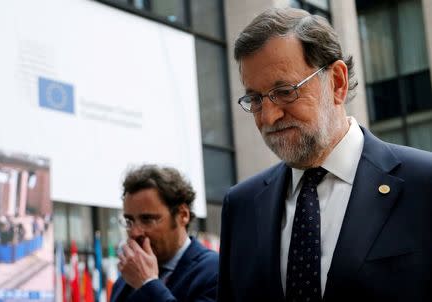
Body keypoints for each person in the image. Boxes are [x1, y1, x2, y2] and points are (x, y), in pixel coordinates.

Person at [218, 7, 432, 302]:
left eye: (285, 91)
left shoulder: (423, 184)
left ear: (337, 83)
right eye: (255, 99)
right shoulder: (240, 206)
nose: (268, 116)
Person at [110, 165, 218, 302]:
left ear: (183, 215)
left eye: (147, 219)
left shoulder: (214, 272)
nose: (134, 232)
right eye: (129, 221)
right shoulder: (124, 282)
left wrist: (148, 283)